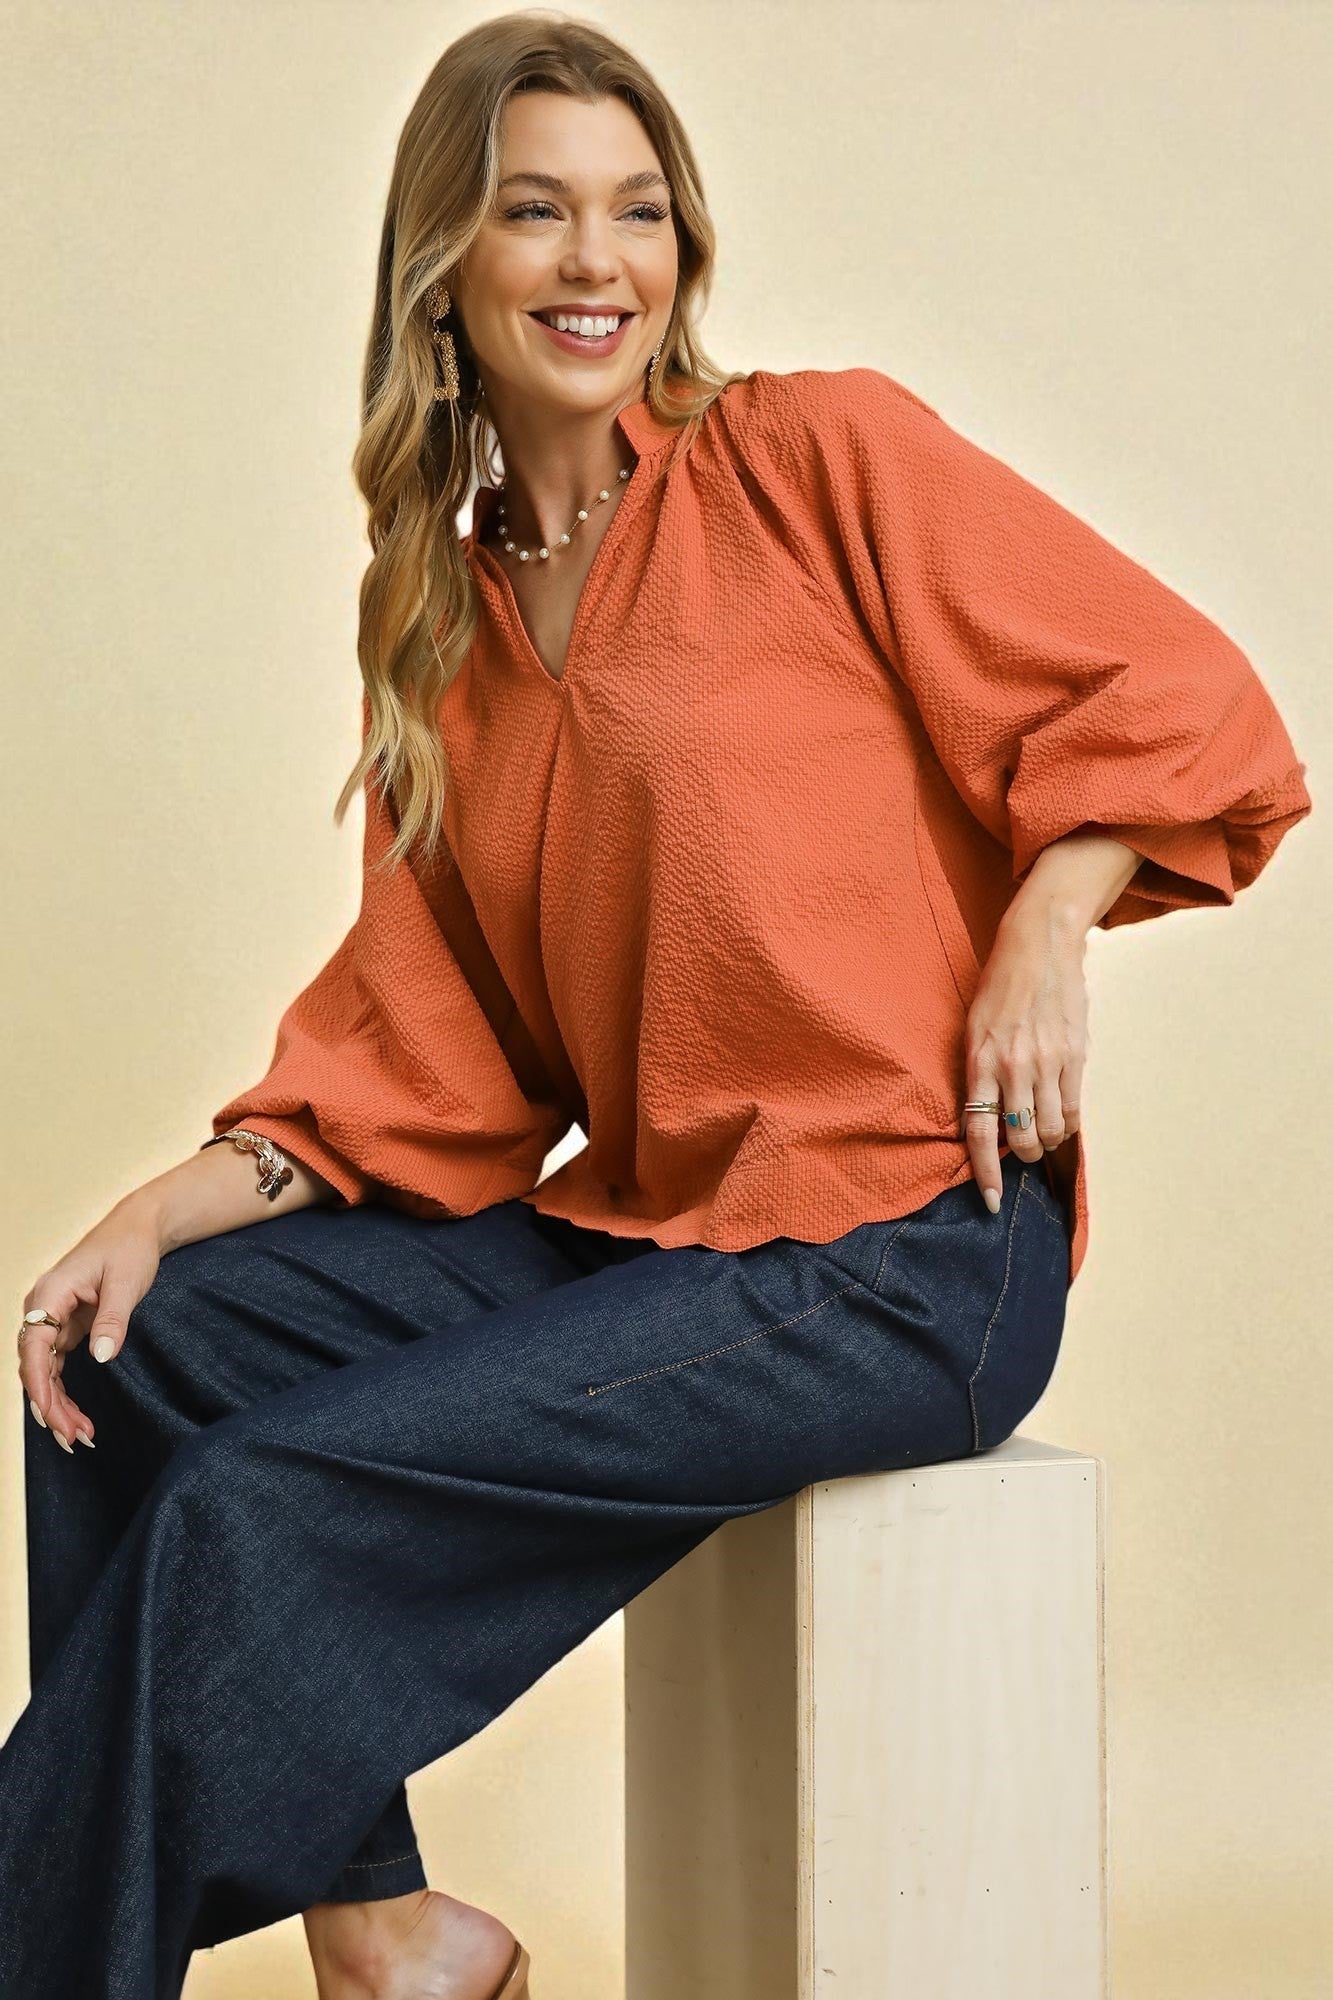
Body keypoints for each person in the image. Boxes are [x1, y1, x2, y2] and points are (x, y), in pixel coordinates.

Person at [2, 15, 1312, 2000]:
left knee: (262, 1509)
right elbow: (419, 1057)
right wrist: (158, 1213)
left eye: (639, 213)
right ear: (448, 258)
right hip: (655, 1230)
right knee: (139, 1354)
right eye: (536, 210)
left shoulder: (809, 458)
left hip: (904, 1254)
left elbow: (1188, 702)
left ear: (685, 253)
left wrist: (1052, 905)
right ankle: (384, 1935)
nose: (597, 261)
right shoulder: (446, 620)